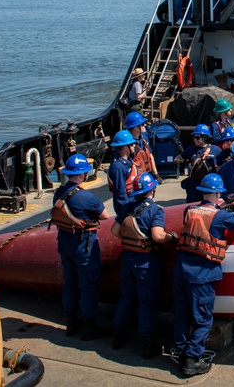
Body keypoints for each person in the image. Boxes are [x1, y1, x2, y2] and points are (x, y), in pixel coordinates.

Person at [173, 173, 234, 376]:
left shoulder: (189, 210)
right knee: (202, 318)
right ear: (218, 193)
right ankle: (192, 359)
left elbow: (203, 216)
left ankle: (181, 351)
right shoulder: (220, 216)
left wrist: (219, 208)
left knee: (182, 314)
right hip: (202, 275)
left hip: (181, 271)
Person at [51, 154, 111, 341]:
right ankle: (89, 325)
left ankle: (71, 322)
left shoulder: (58, 193)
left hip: (65, 244)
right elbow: (105, 216)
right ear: (84, 174)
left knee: (69, 283)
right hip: (84, 247)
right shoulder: (86, 196)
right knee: (88, 286)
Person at [112, 172, 170, 358]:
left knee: (126, 297)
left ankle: (118, 336)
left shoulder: (127, 207)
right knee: (147, 302)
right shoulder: (156, 211)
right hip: (146, 262)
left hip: (128, 258)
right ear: (152, 190)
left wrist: (132, 242)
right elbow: (157, 236)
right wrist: (170, 237)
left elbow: (115, 231)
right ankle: (148, 343)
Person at [176, 124, 218, 203]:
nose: (195, 140)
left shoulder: (215, 150)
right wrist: (179, 160)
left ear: (205, 137)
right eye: (194, 137)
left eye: (198, 138)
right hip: (194, 186)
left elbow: (222, 163)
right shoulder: (190, 149)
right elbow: (179, 158)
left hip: (209, 185)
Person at [107, 129, 139, 220]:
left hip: (133, 201)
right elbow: (120, 193)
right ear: (125, 148)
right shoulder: (118, 167)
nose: (134, 146)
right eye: (132, 145)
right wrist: (127, 211)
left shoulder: (128, 161)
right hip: (127, 206)